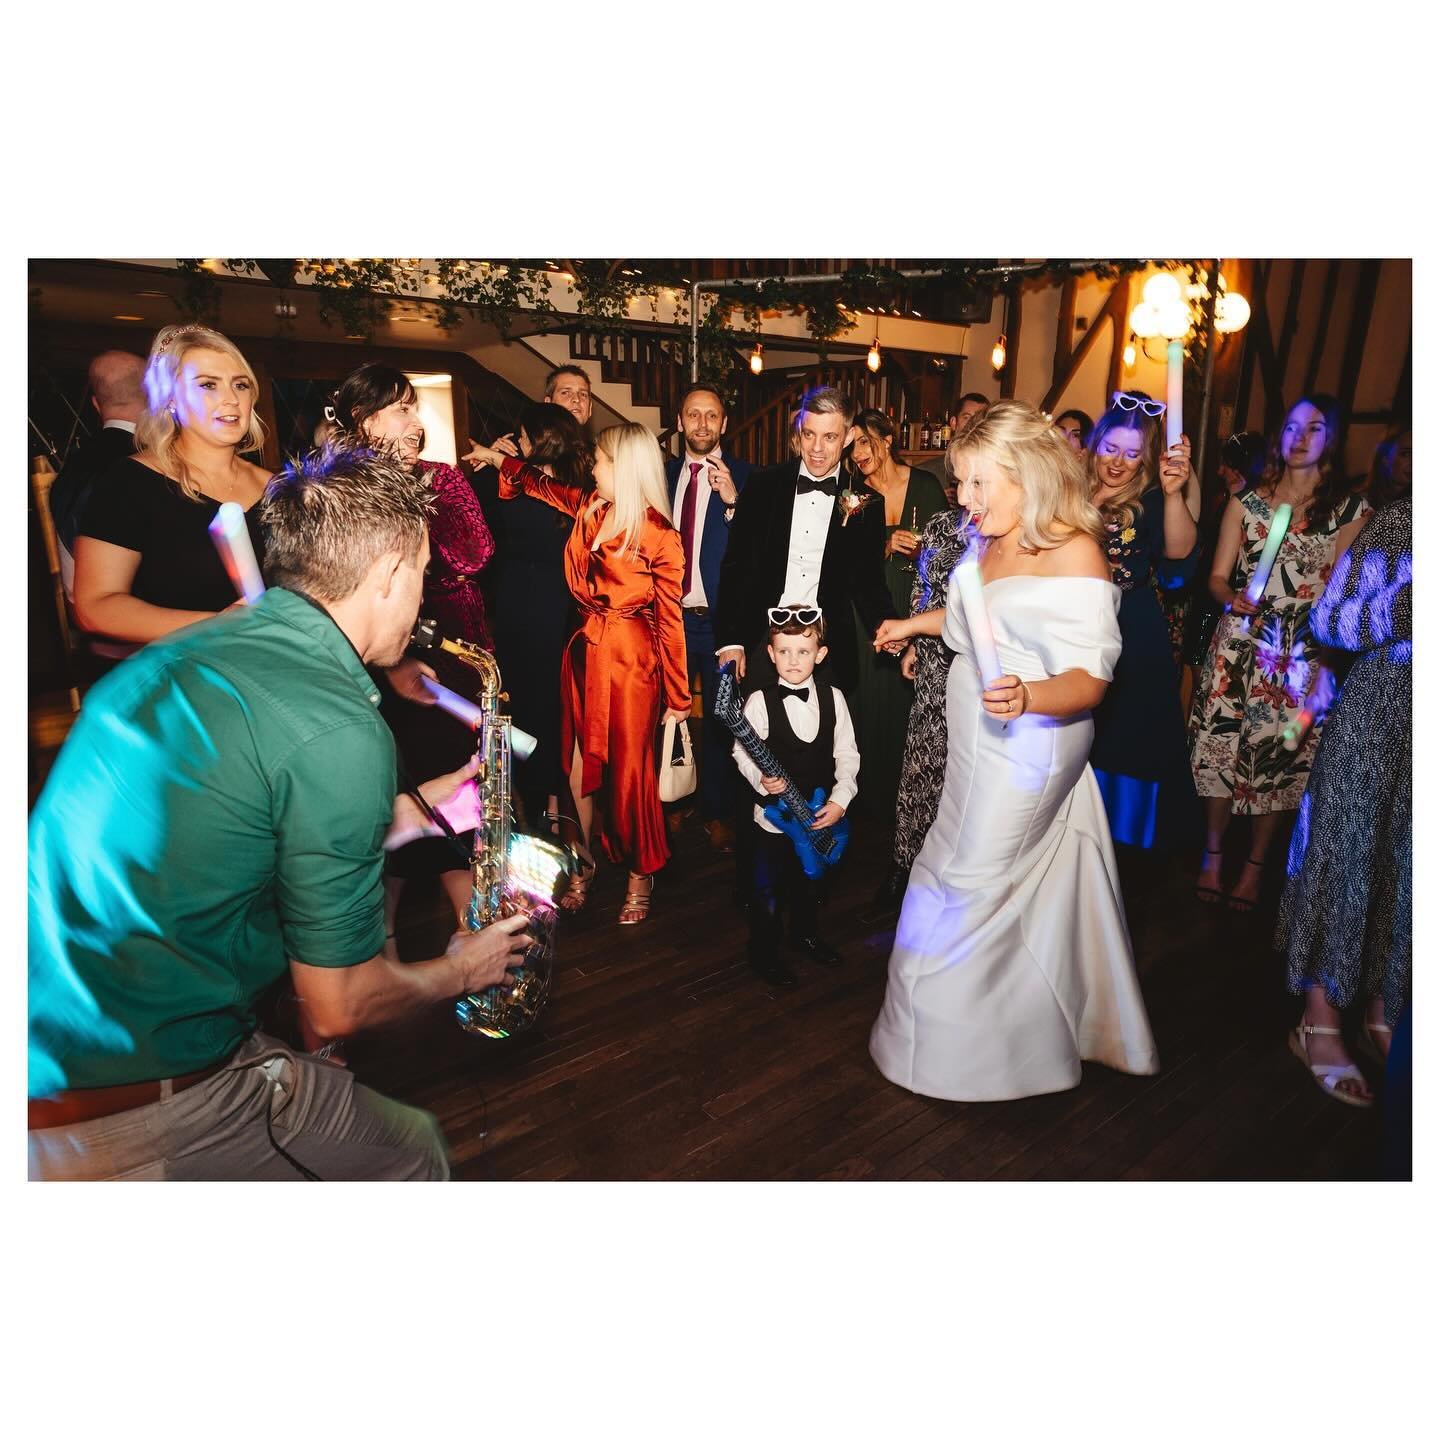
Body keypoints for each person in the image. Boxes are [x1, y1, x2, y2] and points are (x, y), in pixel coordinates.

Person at [28, 440, 533, 1181]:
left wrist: (421, 811)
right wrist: (464, 968)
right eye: (423, 573)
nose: (424, 596)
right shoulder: (336, 723)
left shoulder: (194, 649)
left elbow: (249, 816)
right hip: (135, 1100)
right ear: (391, 572)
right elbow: (339, 1006)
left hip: (59, 1038)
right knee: (411, 1156)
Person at [869, 400, 1159, 1102]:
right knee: (942, 867)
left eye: (975, 484)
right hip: (974, 730)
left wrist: (1029, 697)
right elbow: (976, 616)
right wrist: (912, 623)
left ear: (1025, 474)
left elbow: (1090, 678)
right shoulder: (988, 538)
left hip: (1034, 743)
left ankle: (974, 1056)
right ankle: (971, 1031)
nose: (963, 500)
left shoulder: (1077, 551)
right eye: (960, 484)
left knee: (972, 882)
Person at [468, 423, 689, 924]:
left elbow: (671, 622)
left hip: (632, 663)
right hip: (583, 652)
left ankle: (640, 872)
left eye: (601, 461)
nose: (592, 467)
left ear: (624, 468)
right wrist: (494, 456)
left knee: (631, 772)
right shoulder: (592, 507)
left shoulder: (659, 534)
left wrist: (678, 697)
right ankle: (581, 861)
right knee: (573, 764)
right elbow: (541, 484)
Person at [322, 362, 497, 934]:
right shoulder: (341, 487)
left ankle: (471, 930)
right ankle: (377, 942)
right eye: (401, 407)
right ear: (362, 419)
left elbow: (473, 556)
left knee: (455, 787)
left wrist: (417, 500)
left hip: (448, 649)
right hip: (369, 658)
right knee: (387, 794)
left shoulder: (440, 479)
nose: (415, 420)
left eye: (414, 407)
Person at [1189, 394, 1371, 912]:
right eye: (1292, 426)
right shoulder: (1246, 503)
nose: (1300, 437)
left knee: (1278, 764)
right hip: (1239, 644)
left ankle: (1255, 867)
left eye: (1314, 428)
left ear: (1330, 438)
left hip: (1295, 655)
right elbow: (1218, 578)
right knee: (1219, 754)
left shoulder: (1349, 512)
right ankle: (1214, 853)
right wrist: (1232, 596)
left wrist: (1326, 673)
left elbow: (1342, 597)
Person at [1277, 494, 1411, 1107]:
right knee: (1348, 859)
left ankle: (1389, 1015)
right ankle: (1320, 1022)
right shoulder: (1404, 518)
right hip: (1379, 716)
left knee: (1409, 876)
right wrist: (1406, 603)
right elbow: (1330, 620)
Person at [72, 323, 271, 646]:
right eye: (208, 385)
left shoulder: (279, 487)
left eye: (241, 385)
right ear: (170, 400)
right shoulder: (130, 484)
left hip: (284, 669)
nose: (232, 399)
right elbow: (95, 606)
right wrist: (217, 625)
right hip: (192, 673)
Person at [714, 385, 895, 696]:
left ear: (849, 436)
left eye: (830, 437)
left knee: (823, 743)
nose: (817, 448)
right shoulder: (762, 485)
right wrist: (731, 641)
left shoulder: (867, 501)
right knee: (755, 741)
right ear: (799, 432)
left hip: (827, 649)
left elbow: (868, 581)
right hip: (764, 643)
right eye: (809, 434)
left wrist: (888, 626)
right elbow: (736, 567)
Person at [1082, 396, 1199, 851]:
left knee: (1124, 736)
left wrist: (1174, 494)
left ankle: (1120, 843)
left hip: (1129, 629)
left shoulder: (1152, 497)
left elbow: (1179, 552)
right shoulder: (1072, 485)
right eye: (1111, 447)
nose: (1118, 462)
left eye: (1132, 454)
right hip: (1074, 620)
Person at [470, 402, 591, 839]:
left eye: (522, 436)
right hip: (522, 610)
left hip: (556, 614)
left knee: (550, 711)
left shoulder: (578, 486)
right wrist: (494, 465)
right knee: (525, 707)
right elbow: (476, 521)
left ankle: (552, 805)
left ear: (540, 437)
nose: (517, 443)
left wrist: (502, 463)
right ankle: (540, 807)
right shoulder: (514, 481)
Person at [733, 607, 858, 989]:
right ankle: (764, 952)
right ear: (771, 653)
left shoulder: (834, 697)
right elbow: (741, 750)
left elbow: (848, 753)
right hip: (773, 819)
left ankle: (805, 935)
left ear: (820, 654)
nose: (793, 660)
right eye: (784, 651)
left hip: (820, 815)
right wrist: (761, 779)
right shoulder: (758, 700)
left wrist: (840, 799)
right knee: (768, 889)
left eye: (803, 652)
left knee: (810, 884)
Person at [870, 495, 974, 909]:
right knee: (921, 768)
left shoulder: (1005, 532)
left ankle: (955, 877)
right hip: (934, 660)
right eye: (962, 479)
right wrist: (914, 639)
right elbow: (923, 589)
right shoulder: (940, 525)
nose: (966, 489)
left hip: (980, 666)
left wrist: (911, 629)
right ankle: (903, 865)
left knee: (964, 774)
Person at [847, 407, 948, 821]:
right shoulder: (852, 494)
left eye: (862, 442)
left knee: (903, 701)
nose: (855, 453)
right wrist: (885, 545)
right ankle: (860, 794)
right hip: (867, 608)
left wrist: (924, 549)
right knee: (864, 699)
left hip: (915, 603)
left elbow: (948, 551)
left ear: (886, 439)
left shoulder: (925, 485)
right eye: (850, 446)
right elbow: (845, 559)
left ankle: (900, 797)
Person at [664, 382, 752, 852]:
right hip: (670, 622)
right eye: (693, 414)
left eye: (711, 415)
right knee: (671, 717)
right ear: (680, 422)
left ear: (723, 424)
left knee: (721, 721)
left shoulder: (748, 477)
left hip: (721, 625)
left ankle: (717, 812)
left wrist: (734, 501)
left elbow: (758, 553)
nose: (702, 423)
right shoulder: (660, 474)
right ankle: (673, 801)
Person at [48, 350, 147, 599]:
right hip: (148, 618)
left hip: (81, 612)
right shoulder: (153, 465)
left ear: (95, 403)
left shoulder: (70, 467)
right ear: (152, 395)